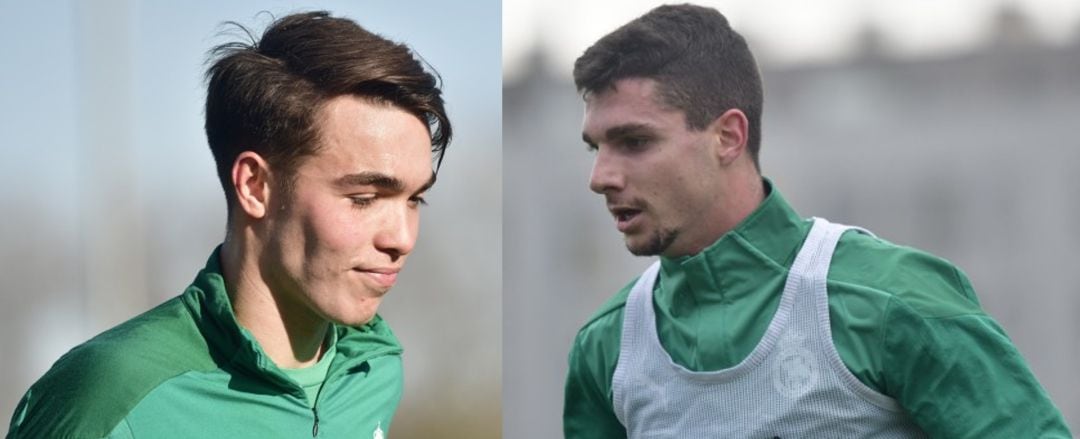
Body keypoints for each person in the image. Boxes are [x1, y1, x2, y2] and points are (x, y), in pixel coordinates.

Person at [563, 4, 1071, 438]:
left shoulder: (893, 302)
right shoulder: (605, 348)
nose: (601, 176)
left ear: (728, 137)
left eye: (635, 142)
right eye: (596, 147)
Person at [7, 11, 450, 438]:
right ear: (255, 186)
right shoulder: (108, 396)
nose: (402, 238)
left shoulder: (373, 367)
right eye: (364, 199)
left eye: (415, 199)